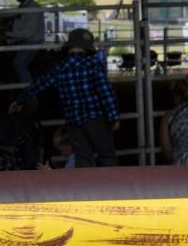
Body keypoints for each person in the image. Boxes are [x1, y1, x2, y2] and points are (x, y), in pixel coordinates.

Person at [15, 28, 118, 167]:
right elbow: (105, 91)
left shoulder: (61, 67)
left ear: (70, 46)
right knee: (106, 153)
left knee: (82, 155)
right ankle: (110, 185)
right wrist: (113, 116)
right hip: (95, 117)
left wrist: (21, 98)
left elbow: (40, 84)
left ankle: (85, 186)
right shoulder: (93, 64)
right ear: (86, 48)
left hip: (73, 120)